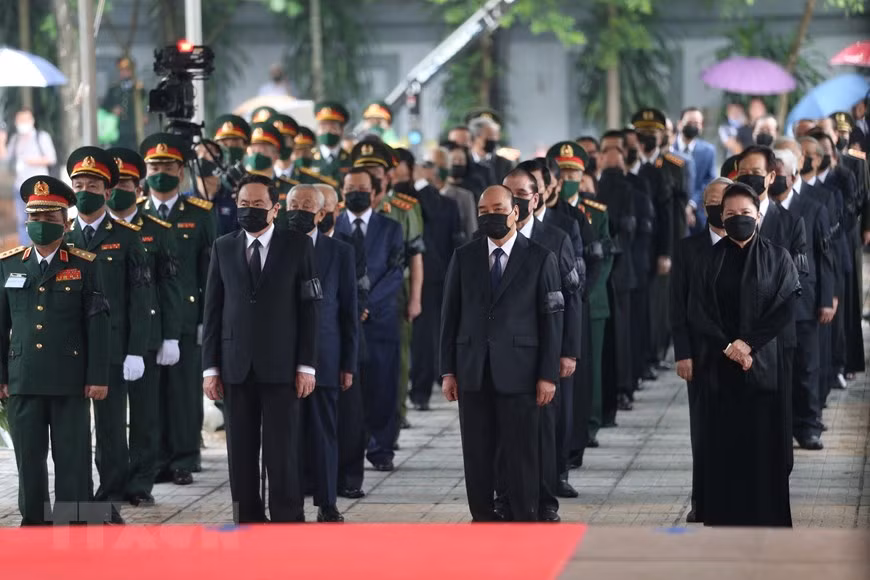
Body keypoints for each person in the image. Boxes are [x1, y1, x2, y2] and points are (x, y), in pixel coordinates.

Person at [440, 185, 563, 522]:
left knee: (521, 453)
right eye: (483, 211)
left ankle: (525, 518)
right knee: (477, 454)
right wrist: (448, 371)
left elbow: (552, 322)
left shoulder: (541, 257)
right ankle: (482, 518)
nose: (490, 216)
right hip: (473, 372)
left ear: (516, 212)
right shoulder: (463, 257)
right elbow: (449, 317)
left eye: (498, 209)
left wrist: (547, 375)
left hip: (521, 374)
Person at [202, 173, 319, 524]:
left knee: (282, 448)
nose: (249, 211)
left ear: (274, 208)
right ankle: (247, 517)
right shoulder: (223, 246)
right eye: (243, 204)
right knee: (239, 450)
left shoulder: (298, 246)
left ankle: (286, 516)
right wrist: (210, 368)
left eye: (257, 205)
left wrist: (307, 365)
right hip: (236, 364)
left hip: (282, 365)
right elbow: (213, 310)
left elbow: (310, 309)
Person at [688, 181, 799, 527]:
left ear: (758, 216)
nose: (739, 219)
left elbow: (785, 307)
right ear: (722, 216)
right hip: (719, 369)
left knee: (765, 450)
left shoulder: (777, 256)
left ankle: (768, 522)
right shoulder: (709, 259)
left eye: (746, 214)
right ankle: (724, 522)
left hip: (765, 366)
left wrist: (748, 344)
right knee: (724, 448)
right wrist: (729, 346)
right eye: (731, 214)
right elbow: (697, 311)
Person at [0, 176, 110, 525]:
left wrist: (97, 377)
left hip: (69, 379)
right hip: (24, 379)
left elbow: (98, 324)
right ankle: (34, 524)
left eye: (50, 219)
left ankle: (74, 524)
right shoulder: (9, 264)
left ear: (65, 223)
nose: (41, 225)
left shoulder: (85, 264)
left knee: (72, 459)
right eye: (35, 218)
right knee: (29, 460)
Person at [64, 147, 150, 522]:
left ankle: (110, 494)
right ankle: (76, 494)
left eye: (93, 184)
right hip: (68, 348)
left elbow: (140, 297)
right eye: (79, 184)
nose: (85, 190)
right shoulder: (61, 233)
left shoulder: (128, 238)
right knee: (72, 427)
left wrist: (137, 350)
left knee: (113, 428)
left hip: (113, 347)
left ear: (107, 190)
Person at [501, 167, 582, 519]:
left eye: (520, 193)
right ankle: (504, 498)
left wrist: (568, 351)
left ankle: (546, 500)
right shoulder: (489, 237)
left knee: (544, 429)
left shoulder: (556, 238)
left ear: (535, 199)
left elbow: (571, 297)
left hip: (544, 349)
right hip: (502, 354)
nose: (514, 201)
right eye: (508, 193)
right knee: (503, 434)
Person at [105, 147, 183, 507]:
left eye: (125, 183)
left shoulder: (157, 230)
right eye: (114, 183)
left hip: (147, 337)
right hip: (105, 339)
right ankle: (112, 481)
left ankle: (140, 483)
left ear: (138, 187)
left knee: (144, 416)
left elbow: (169, 285)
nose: (119, 189)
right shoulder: (94, 229)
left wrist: (171, 335)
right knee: (108, 419)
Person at [138, 133, 215, 485]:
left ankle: (184, 458)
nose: (160, 173)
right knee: (149, 398)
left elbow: (210, 273)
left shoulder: (200, 215)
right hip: (148, 321)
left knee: (183, 393)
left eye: (167, 166)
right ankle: (153, 460)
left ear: (181, 172)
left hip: (186, 318)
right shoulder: (136, 217)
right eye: (154, 166)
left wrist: (205, 320)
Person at [286, 184, 358, 522]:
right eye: (292, 204)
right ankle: (289, 501)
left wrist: (348, 363)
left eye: (306, 205)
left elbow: (348, 312)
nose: (299, 210)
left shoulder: (340, 252)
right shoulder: (277, 247)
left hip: (326, 357)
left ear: (320, 213)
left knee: (324, 431)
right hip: (282, 358)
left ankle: (327, 502)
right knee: (285, 434)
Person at [335, 165, 404, 474]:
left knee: (383, 385)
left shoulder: (390, 227)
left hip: (380, 319)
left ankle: (381, 448)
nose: (355, 194)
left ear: (375, 193)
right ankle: (349, 449)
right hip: (343, 320)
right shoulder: (333, 225)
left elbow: (395, 272)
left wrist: (366, 305)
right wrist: (352, 307)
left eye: (362, 189)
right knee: (349, 388)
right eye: (350, 189)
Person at [671, 177, 731, 524]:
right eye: (710, 200)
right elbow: (677, 304)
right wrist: (683, 353)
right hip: (701, 354)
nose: (715, 205)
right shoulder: (688, 248)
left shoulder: (747, 245)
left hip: (739, 354)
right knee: (703, 430)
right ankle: (703, 501)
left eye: (721, 200)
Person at [772, 147, 834, 451]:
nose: (774, 180)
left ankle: (808, 426)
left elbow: (825, 257)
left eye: (779, 174)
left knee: (807, 367)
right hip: (772, 305)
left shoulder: (813, 208)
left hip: (806, 301)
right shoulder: (763, 210)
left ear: (793, 175)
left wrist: (827, 298)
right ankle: (780, 427)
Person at [596, 132, 638, 417]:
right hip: (602, 272)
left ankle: (623, 387)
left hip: (620, 272)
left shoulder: (629, 190)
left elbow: (630, 229)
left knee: (622, 334)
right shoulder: (594, 188)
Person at [0, 108, 58, 245]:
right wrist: (2, 141)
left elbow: (51, 158)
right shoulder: (15, 139)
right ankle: (25, 250)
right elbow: (5, 158)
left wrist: (28, 160)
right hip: (19, 186)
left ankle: (43, 247)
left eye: (25, 119)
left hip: (39, 187)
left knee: (40, 218)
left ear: (32, 120)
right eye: (20, 120)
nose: (23, 123)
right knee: (22, 220)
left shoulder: (41, 137)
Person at [674, 107, 717, 221]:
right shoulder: (669, 149)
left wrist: (692, 203)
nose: (693, 126)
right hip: (671, 212)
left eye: (697, 123)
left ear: (701, 126)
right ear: (679, 124)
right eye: (689, 122)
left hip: (698, 214)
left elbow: (709, 181)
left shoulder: (708, 151)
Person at [101, 56, 146, 149]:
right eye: (122, 70)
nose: (125, 73)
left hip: (134, 130)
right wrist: (112, 109)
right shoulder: (113, 89)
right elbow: (104, 105)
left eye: (127, 70)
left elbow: (146, 104)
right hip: (117, 130)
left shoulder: (139, 90)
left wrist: (145, 115)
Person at [467, 110, 514, 186]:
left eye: (495, 136)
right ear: (476, 136)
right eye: (490, 136)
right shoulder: (465, 162)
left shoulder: (505, 164)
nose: (493, 140)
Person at [442, 146, 479, 240]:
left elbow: (471, 225)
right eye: (453, 160)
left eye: (461, 160)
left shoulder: (470, 191)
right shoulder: (440, 189)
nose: (457, 163)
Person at [314, 102, 352, 185]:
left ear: (341, 131)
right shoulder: (309, 159)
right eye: (323, 127)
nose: (328, 131)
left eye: (333, 127)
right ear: (317, 130)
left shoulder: (351, 159)